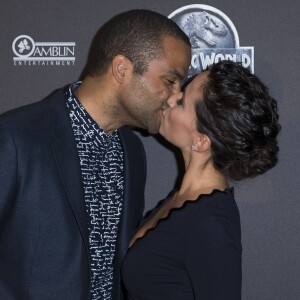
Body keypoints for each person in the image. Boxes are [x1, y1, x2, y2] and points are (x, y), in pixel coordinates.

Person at [0, 10, 191, 300]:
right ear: (122, 69)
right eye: (170, 80)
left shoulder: (132, 151)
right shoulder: (15, 137)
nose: (176, 96)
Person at [122, 60, 280, 299]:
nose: (172, 98)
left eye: (182, 101)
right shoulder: (184, 200)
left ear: (201, 141)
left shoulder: (212, 222)